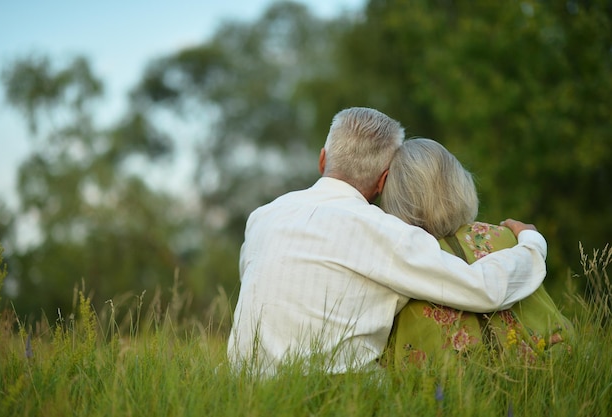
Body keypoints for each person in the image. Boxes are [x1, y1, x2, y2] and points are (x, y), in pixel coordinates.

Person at [227, 107, 548, 376]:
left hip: (245, 393)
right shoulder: (383, 231)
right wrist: (531, 242)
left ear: (322, 160)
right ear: (383, 181)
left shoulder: (263, 217)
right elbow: (484, 289)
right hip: (340, 398)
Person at [380, 138, 574, 367]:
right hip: (538, 381)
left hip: (444, 395)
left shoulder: (400, 258)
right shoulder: (507, 238)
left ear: (395, 199)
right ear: (457, 184)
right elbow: (553, 325)